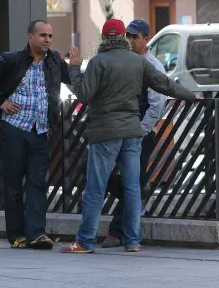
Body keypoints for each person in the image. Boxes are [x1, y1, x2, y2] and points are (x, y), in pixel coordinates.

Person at [61, 19, 198, 254]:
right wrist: (189, 95)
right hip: (132, 131)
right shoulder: (138, 62)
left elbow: (83, 94)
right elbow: (164, 84)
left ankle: (84, 241)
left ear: (104, 38)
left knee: (95, 187)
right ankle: (132, 241)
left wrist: (74, 68)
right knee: (132, 187)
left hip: (105, 132)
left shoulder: (97, 62)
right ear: (124, 36)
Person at [0, 20, 72, 250]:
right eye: (42, 35)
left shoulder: (55, 60)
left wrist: (75, 66)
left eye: (50, 35)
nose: (47, 40)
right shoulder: (12, 60)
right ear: (29, 37)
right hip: (14, 128)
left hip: (41, 130)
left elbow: (73, 82)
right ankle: (17, 235)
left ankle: (37, 233)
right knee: (14, 184)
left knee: (38, 183)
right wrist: (0, 102)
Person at [101, 18, 167, 248]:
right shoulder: (124, 61)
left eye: (134, 37)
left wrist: (142, 129)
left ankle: (117, 232)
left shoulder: (152, 65)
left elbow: (157, 103)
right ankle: (137, 197)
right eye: (127, 36)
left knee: (132, 180)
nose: (129, 41)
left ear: (146, 39)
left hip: (139, 131)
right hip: (119, 128)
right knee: (103, 175)